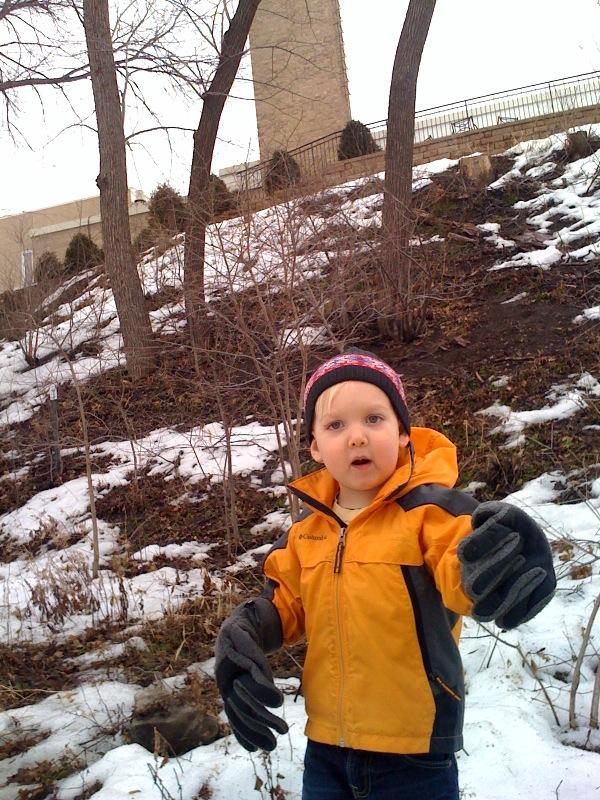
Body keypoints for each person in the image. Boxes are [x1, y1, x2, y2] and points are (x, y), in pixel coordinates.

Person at [215, 350, 556, 800]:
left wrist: (500, 567)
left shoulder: (432, 514)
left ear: (402, 433)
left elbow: (462, 566)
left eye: (374, 419)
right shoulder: (305, 532)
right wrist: (244, 631)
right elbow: (284, 604)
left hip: (414, 755)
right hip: (326, 751)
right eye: (336, 425)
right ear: (314, 446)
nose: (357, 436)